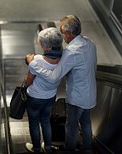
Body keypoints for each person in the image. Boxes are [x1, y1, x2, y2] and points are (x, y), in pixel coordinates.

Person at [26, 15, 97, 151]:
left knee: (71, 126)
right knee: (86, 122)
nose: (63, 37)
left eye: (63, 33)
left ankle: (69, 150)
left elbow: (53, 77)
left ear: (69, 33)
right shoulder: (90, 42)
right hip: (91, 92)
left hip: (77, 96)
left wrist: (33, 65)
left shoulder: (71, 52)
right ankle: (87, 148)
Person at [24, 27, 63, 152]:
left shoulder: (38, 60)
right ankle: (47, 146)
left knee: (34, 122)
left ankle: (36, 148)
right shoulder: (63, 59)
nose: (40, 45)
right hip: (51, 97)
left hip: (35, 97)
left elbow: (28, 81)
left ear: (48, 47)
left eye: (42, 43)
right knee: (46, 121)